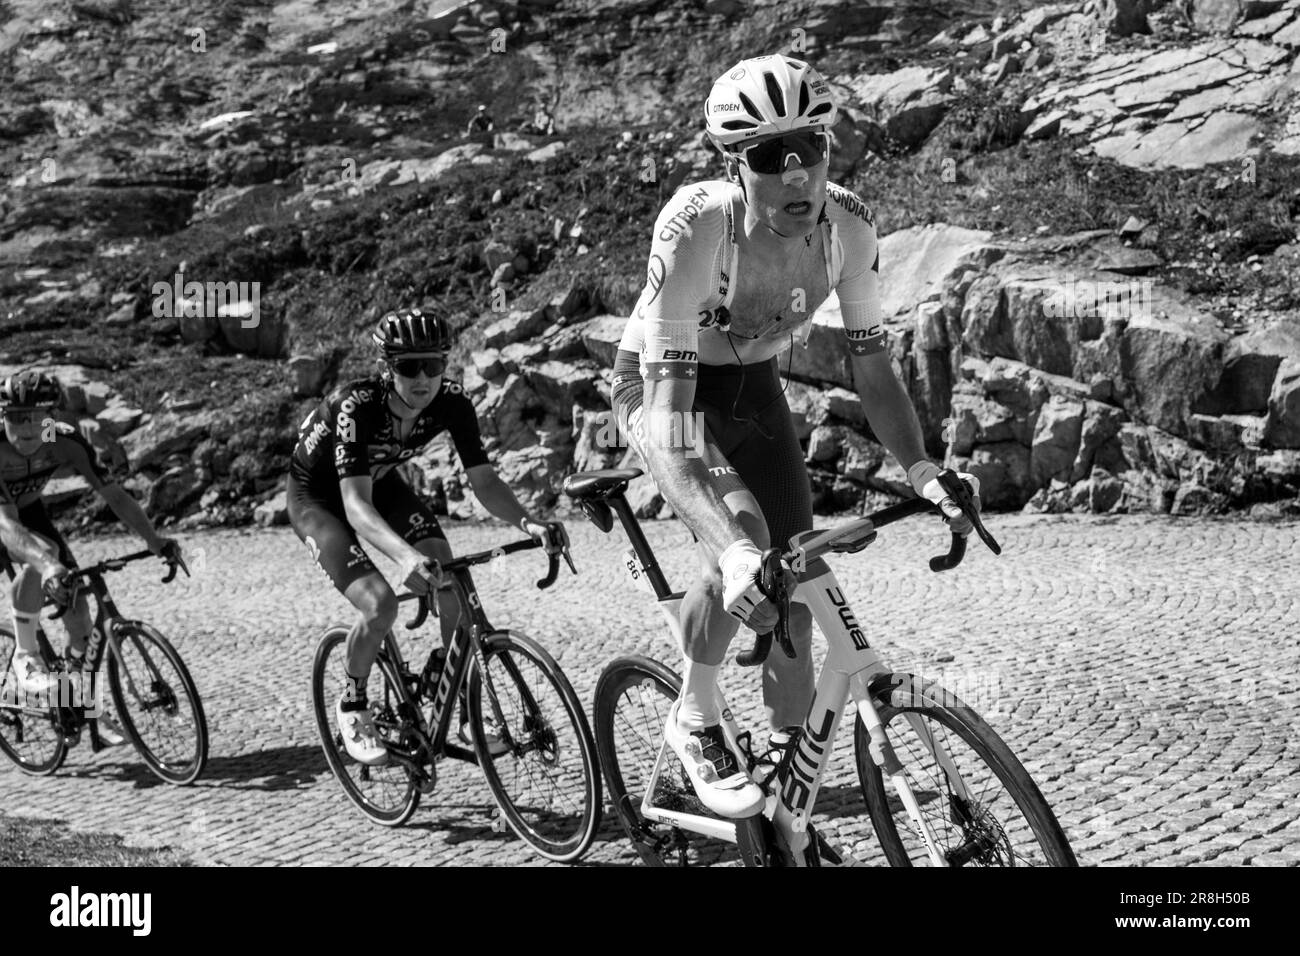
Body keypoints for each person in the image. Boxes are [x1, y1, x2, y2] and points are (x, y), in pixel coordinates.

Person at [610, 54, 981, 817]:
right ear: (734, 166)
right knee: (742, 540)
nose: (794, 175)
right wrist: (733, 546)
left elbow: (873, 371)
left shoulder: (848, 225)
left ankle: (788, 765)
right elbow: (673, 419)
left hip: (754, 387)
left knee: (798, 577)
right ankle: (696, 714)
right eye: (768, 158)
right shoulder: (696, 230)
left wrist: (922, 471)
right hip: (664, 389)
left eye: (808, 149)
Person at [287, 308, 567, 766]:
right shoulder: (354, 406)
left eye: (433, 365)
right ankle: (353, 702)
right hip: (320, 500)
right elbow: (356, 507)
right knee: (380, 604)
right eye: (408, 367)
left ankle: (451, 691)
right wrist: (402, 559)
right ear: (386, 368)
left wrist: (529, 522)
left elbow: (485, 481)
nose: (422, 377)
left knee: (448, 572)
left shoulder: (452, 402)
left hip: (380, 484)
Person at [0, 370, 182, 745]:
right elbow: (6, 524)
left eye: (38, 417)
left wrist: (154, 540)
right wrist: (47, 564)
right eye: (17, 416)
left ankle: (77, 705)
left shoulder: (60, 440)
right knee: (46, 555)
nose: (28, 428)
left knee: (80, 618)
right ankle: (25, 653)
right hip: (4, 519)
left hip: (30, 514)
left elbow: (114, 495)